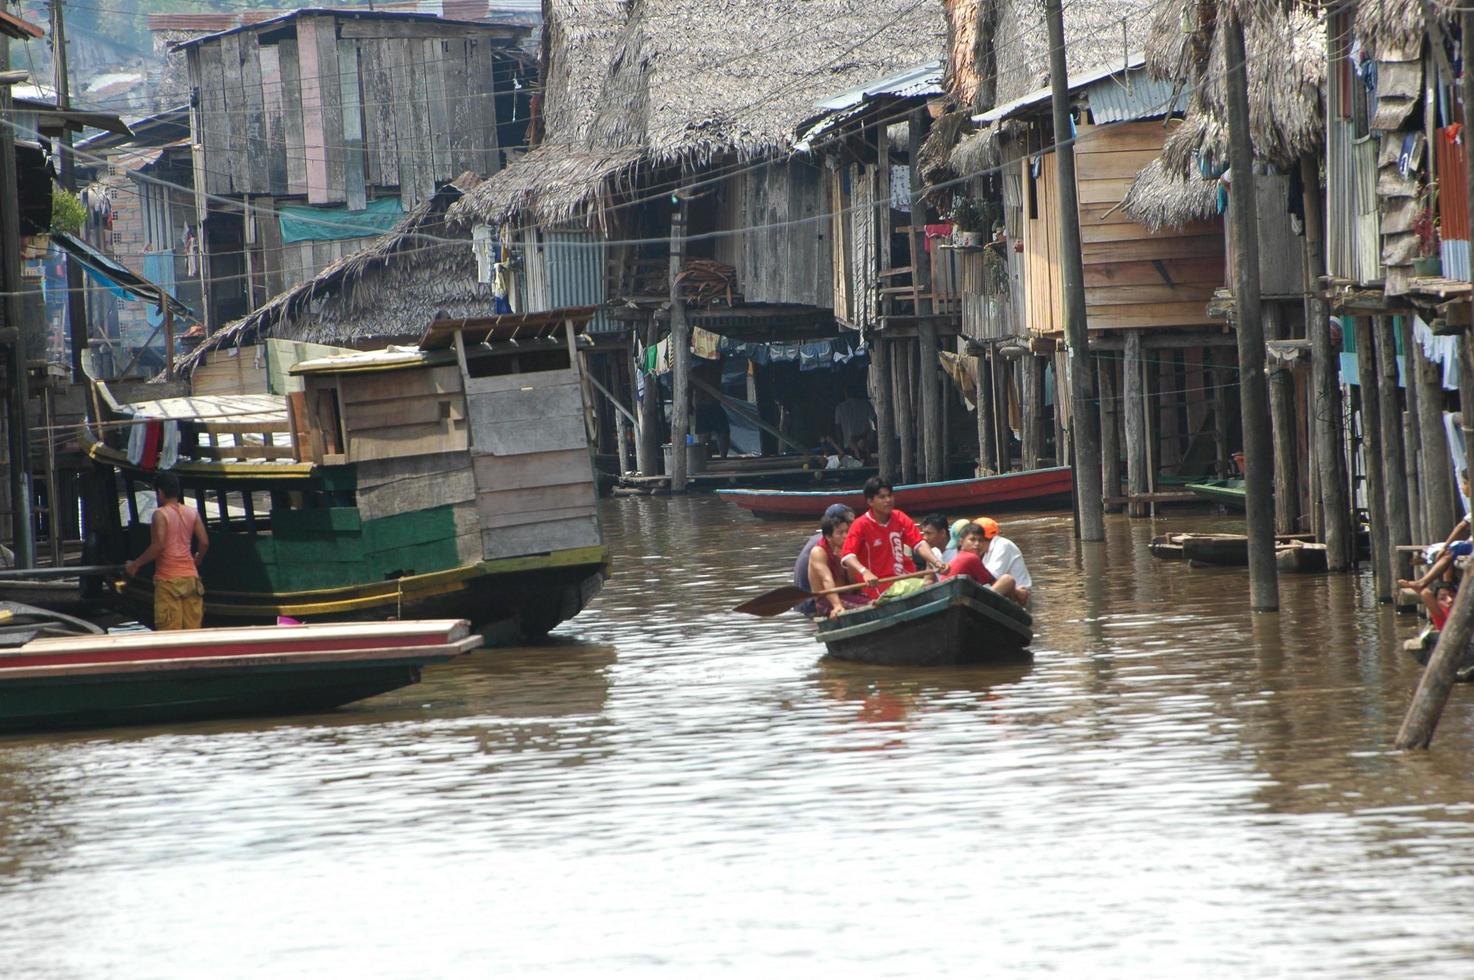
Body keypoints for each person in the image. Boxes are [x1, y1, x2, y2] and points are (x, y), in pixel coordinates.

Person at [124, 472, 209, 630]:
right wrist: (198, 559)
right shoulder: (192, 513)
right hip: (191, 579)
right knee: (193, 632)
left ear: (160, 493)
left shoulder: (160, 514)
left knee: (170, 634)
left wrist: (136, 564)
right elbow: (204, 542)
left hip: (168, 581)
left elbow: (159, 546)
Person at [841, 477, 947, 600]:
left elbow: (919, 544)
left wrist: (937, 563)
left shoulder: (899, 517)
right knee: (929, 587)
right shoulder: (860, 524)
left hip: (903, 579)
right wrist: (865, 572)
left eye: (890, 496)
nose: (888, 500)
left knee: (932, 585)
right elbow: (848, 556)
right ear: (870, 501)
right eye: (882, 497)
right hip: (878, 586)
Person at [793, 506, 861, 618]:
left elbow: (853, 584)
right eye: (841, 532)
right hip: (814, 602)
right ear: (829, 535)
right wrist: (837, 605)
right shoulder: (818, 549)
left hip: (843, 593)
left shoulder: (844, 545)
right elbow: (827, 579)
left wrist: (848, 562)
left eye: (848, 530)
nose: (846, 536)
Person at [946, 522, 1023, 603]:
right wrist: (1018, 592)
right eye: (972, 540)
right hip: (957, 597)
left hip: (954, 595)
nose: (977, 544)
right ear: (961, 542)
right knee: (1008, 580)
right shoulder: (971, 558)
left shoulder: (959, 556)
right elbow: (993, 582)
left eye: (980, 540)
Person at [971, 516, 1032, 607]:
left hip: (1020, 597)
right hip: (1005, 594)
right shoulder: (987, 552)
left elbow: (992, 577)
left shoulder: (1002, 545)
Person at [833, 387, 876, 460]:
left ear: (846, 393)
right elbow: (876, 420)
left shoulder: (840, 407)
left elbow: (838, 429)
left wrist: (840, 447)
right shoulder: (865, 404)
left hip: (851, 444)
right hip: (865, 441)